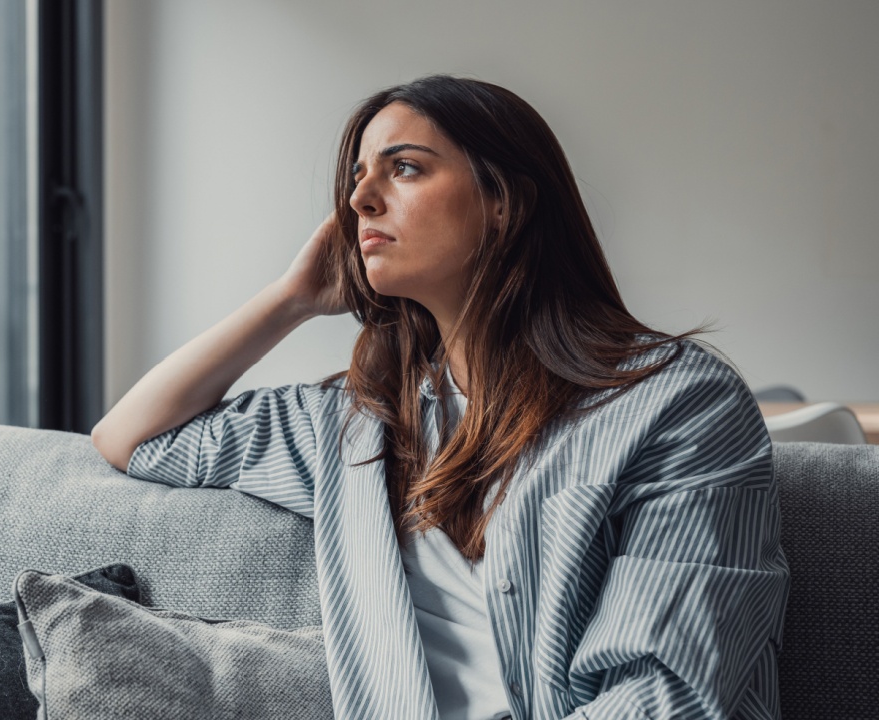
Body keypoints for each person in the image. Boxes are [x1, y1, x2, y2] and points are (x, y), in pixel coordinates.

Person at [91, 75, 789, 720]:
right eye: (358, 177)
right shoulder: (358, 427)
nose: (360, 199)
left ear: (503, 202)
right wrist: (290, 300)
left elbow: (668, 696)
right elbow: (132, 435)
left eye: (404, 167)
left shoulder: (676, 404)